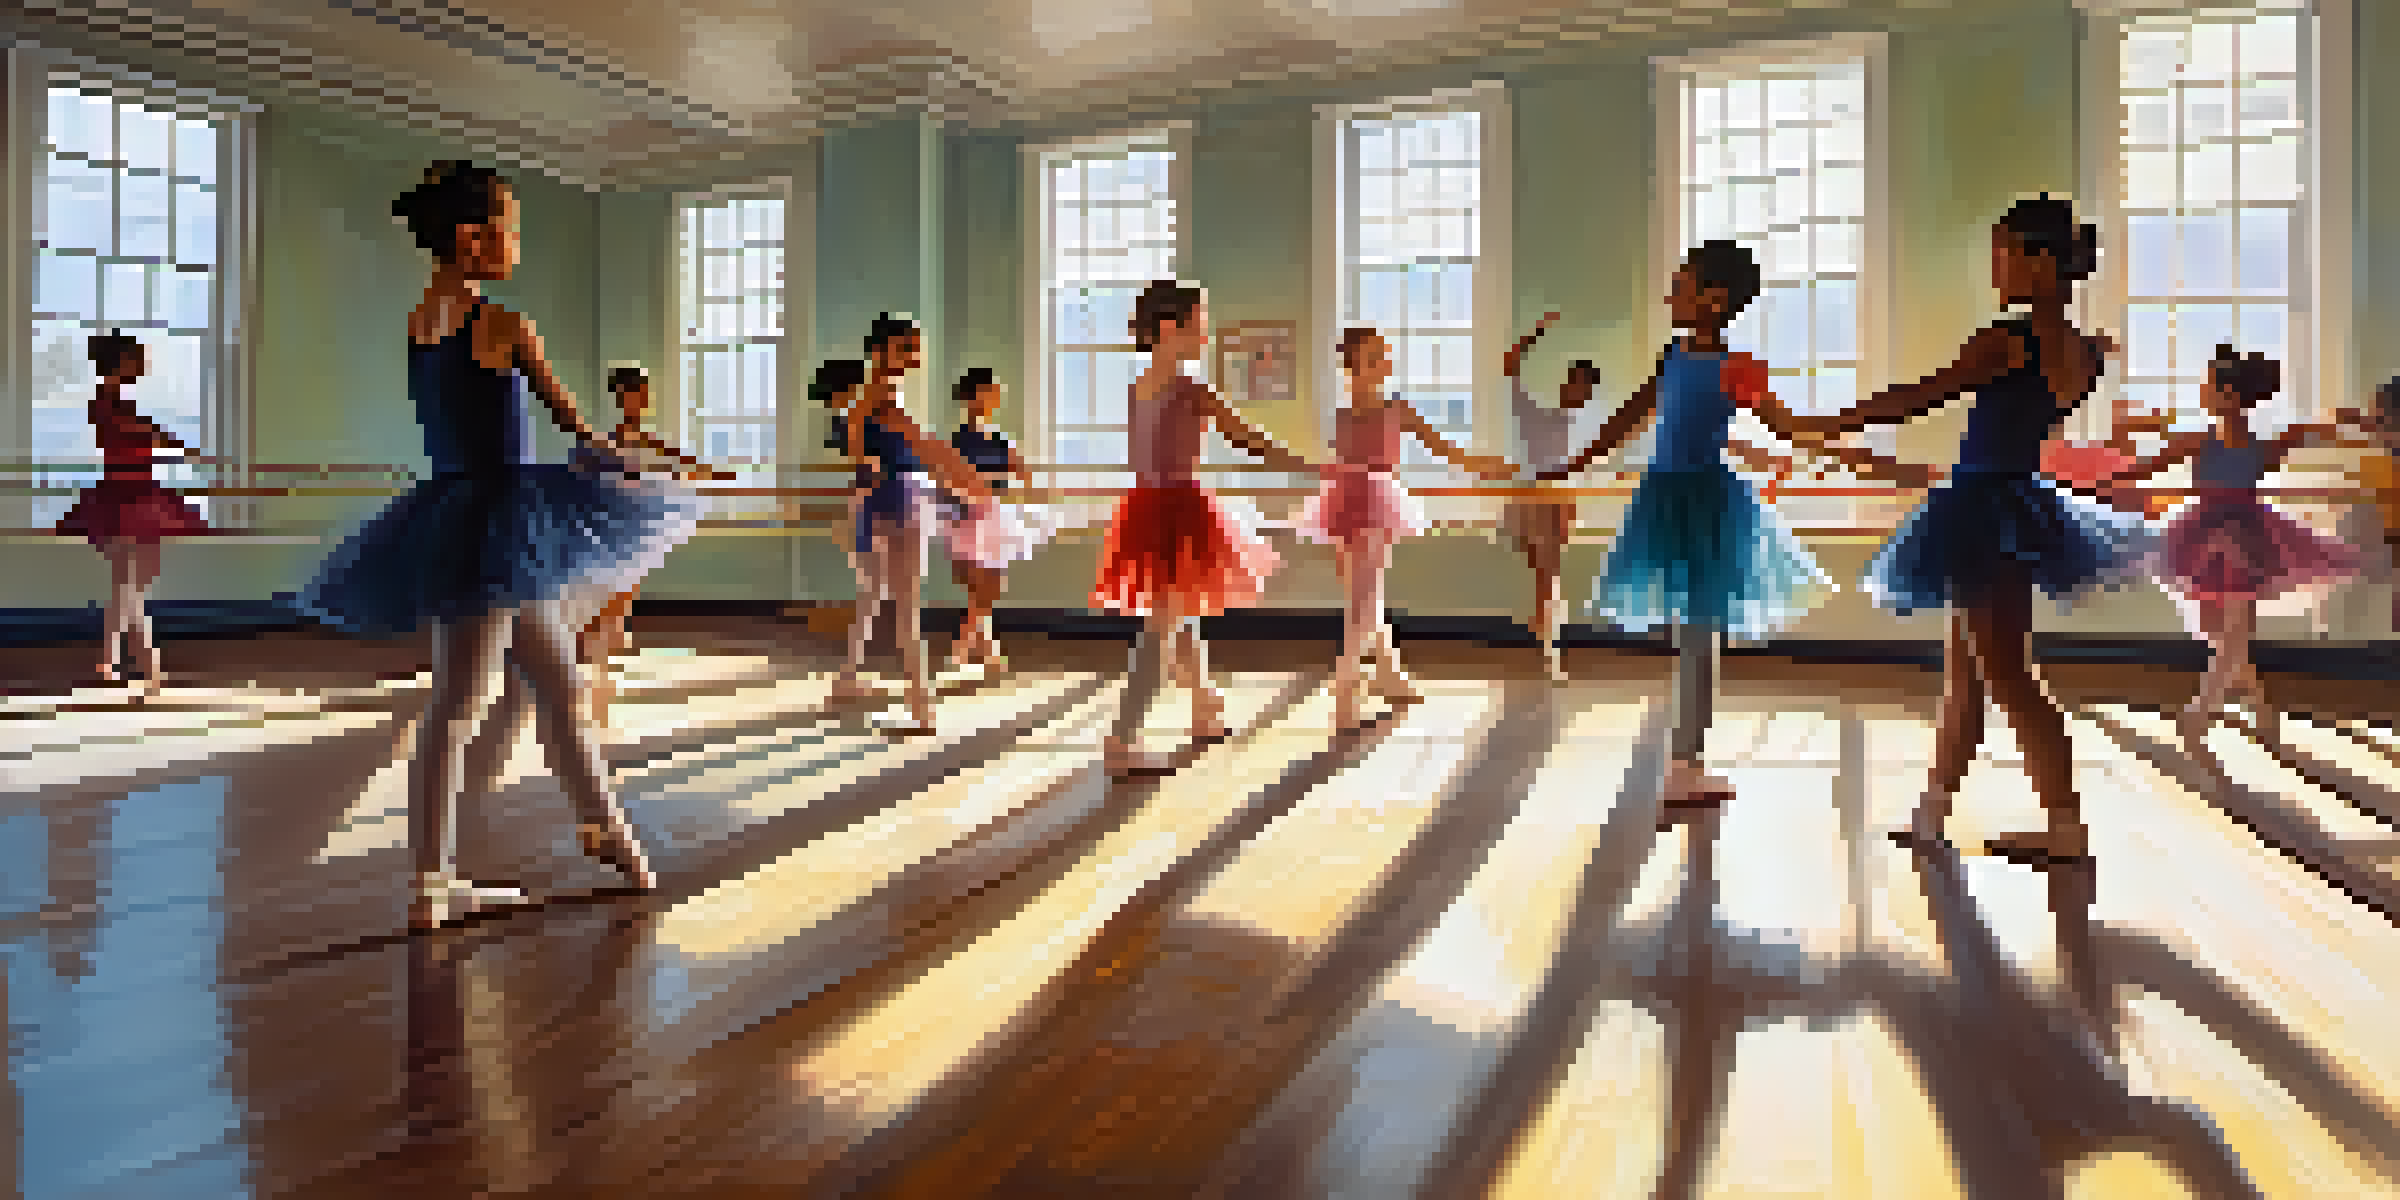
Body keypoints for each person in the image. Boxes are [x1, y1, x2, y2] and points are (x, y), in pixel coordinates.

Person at [297, 161, 687, 928]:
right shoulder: (504, 325)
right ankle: (432, 881)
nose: (515, 244)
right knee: (458, 703)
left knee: (560, 684)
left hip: (458, 514)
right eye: (510, 229)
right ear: (472, 238)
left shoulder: (420, 321)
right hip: (499, 519)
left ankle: (607, 833)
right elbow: (578, 430)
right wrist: (640, 473)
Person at [1788, 195, 2146, 868]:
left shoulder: (2007, 341)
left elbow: (1916, 397)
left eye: (2004, 254)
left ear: (2041, 263)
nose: (1995, 268)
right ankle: (1931, 815)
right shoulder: (2084, 354)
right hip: (2011, 501)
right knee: (1971, 675)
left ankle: (2064, 826)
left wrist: (1821, 425)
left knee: (2007, 676)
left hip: (1986, 508)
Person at [1546, 242, 1911, 812]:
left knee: (1699, 633)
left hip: (1708, 501)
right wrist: (1576, 462)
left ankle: (1684, 763)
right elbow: (1630, 416)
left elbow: (1789, 429)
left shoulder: (1737, 367)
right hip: (1666, 498)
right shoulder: (1673, 355)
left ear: (1714, 299)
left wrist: (1851, 453)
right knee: (1690, 633)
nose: (1671, 295)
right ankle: (1684, 762)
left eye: (1681, 286)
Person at [2098, 346, 2374, 744]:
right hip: (2200, 535)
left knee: (2234, 629)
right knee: (2220, 633)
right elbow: (2140, 469)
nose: (2202, 392)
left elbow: (2316, 427)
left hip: (2249, 536)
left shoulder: (2264, 446)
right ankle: (2260, 704)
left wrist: (2353, 420)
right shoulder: (2196, 440)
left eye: (2208, 385)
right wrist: (2108, 474)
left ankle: (2201, 710)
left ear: (2229, 395)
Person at [1096, 280, 1313, 775]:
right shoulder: (1189, 387)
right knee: (1162, 625)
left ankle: (1204, 705)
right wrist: (1305, 464)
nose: (1205, 334)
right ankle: (1123, 739)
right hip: (1174, 506)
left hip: (1147, 505)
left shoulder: (1139, 386)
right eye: (1199, 324)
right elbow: (1244, 437)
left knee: (1181, 613)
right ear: (1170, 328)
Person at [1297, 327, 1514, 730]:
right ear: (1352, 366)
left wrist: (1483, 466)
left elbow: (1444, 449)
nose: (1384, 363)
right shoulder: (1341, 415)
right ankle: (1353, 686)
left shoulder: (1396, 408)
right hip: (1344, 501)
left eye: (1384, 356)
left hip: (1375, 501)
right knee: (1363, 596)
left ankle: (1379, 678)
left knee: (1366, 594)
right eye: (1374, 358)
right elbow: (1336, 464)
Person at [826, 315, 995, 733]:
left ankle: (850, 680)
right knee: (906, 605)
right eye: (905, 348)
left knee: (879, 594)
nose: (913, 356)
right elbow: (924, 445)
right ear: (879, 350)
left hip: (884, 499)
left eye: (915, 348)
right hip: (897, 500)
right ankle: (920, 708)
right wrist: (967, 478)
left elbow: (866, 451)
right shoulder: (881, 393)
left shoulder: (870, 394)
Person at [570, 363, 730, 719]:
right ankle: (593, 686)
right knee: (605, 609)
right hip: (606, 534)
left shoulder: (649, 442)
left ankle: (599, 681)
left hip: (632, 535)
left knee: (618, 608)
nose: (640, 401)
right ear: (621, 397)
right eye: (634, 393)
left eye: (643, 394)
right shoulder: (604, 443)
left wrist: (715, 472)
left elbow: (685, 466)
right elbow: (584, 480)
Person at [56, 331, 211, 693]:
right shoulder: (107, 401)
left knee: (129, 585)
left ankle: (120, 663)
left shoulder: (114, 400)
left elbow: (146, 435)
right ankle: (141, 665)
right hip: (127, 497)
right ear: (122, 362)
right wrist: (177, 445)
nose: (143, 365)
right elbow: (144, 434)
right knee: (130, 585)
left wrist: (173, 444)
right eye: (137, 359)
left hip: (133, 494)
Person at [1498, 313, 1604, 681]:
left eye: (1584, 386)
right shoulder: (1536, 414)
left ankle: (1550, 644)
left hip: (1557, 500)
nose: (1575, 389)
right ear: (1565, 384)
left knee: (1549, 574)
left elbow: (1589, 468)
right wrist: (1536, 332)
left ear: (1589, 394)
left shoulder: (1588, 430)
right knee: (1541, 572)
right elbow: (1510, 369)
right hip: (1527, 498)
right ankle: (1545, 629)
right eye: (1573, 381)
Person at [941, 367, 1055, 672]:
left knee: (988, 589)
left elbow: (1023, 474)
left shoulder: (998, 438)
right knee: (979, 589)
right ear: (972, 397)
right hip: (965, 517)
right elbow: (948, 480)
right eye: (990, 392)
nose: (996, 397)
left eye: (995, 392)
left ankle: (975, 650)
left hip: (991, 517)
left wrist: (1022, 484)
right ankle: (974, 649)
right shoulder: (958, 440)